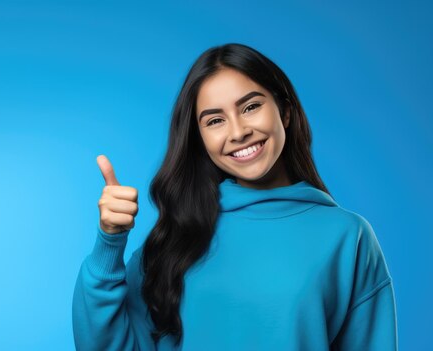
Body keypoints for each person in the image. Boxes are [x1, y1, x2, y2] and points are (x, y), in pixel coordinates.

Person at [72, 43, 398, 350]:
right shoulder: (176, 240)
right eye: (215, 120)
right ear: (200, 139)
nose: (238, 132)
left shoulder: (347, 237)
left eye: (251, 106)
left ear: (284, 111)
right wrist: (109, 244)